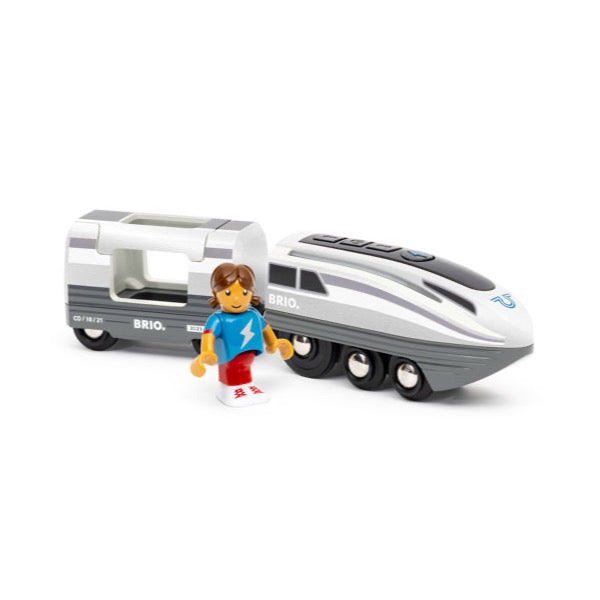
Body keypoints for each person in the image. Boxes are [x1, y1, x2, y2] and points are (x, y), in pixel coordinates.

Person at [190, 263, 294, 406]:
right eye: (228, 293)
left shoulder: (253, 314)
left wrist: (273, 343)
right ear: (215, 293)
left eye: (244, 293)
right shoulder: (218, 319)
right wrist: (207, 352)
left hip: (248, 353)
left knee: (245, 368)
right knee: (231, 370)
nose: (237, 299)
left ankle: (246, 385)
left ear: (252, 292)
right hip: (229, 358)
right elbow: (209, 335)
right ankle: (229, 388)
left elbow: (265, 328)